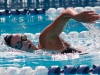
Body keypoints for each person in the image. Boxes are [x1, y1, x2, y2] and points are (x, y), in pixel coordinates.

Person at [4, 8, 100, 53]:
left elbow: (65, 13)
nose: (25, 42)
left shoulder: (44, 40)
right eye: (19, 45)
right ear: (16, 51)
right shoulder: (42, 52)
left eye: (23, 38)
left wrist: (75, 16)